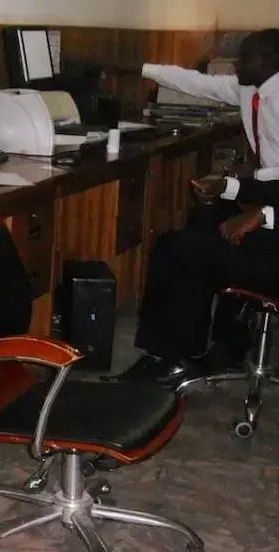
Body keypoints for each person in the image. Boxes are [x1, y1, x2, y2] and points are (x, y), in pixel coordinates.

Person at [115, 29, 279, 386]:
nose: (236, 65)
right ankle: (227, 346)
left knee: (183, 251)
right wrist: (228, 187)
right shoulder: (252, 89)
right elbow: (200, 84)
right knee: (200, 223)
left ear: (269, 61)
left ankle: (173, 357)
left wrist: (264, 216)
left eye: (245, 58)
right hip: (268, 196)